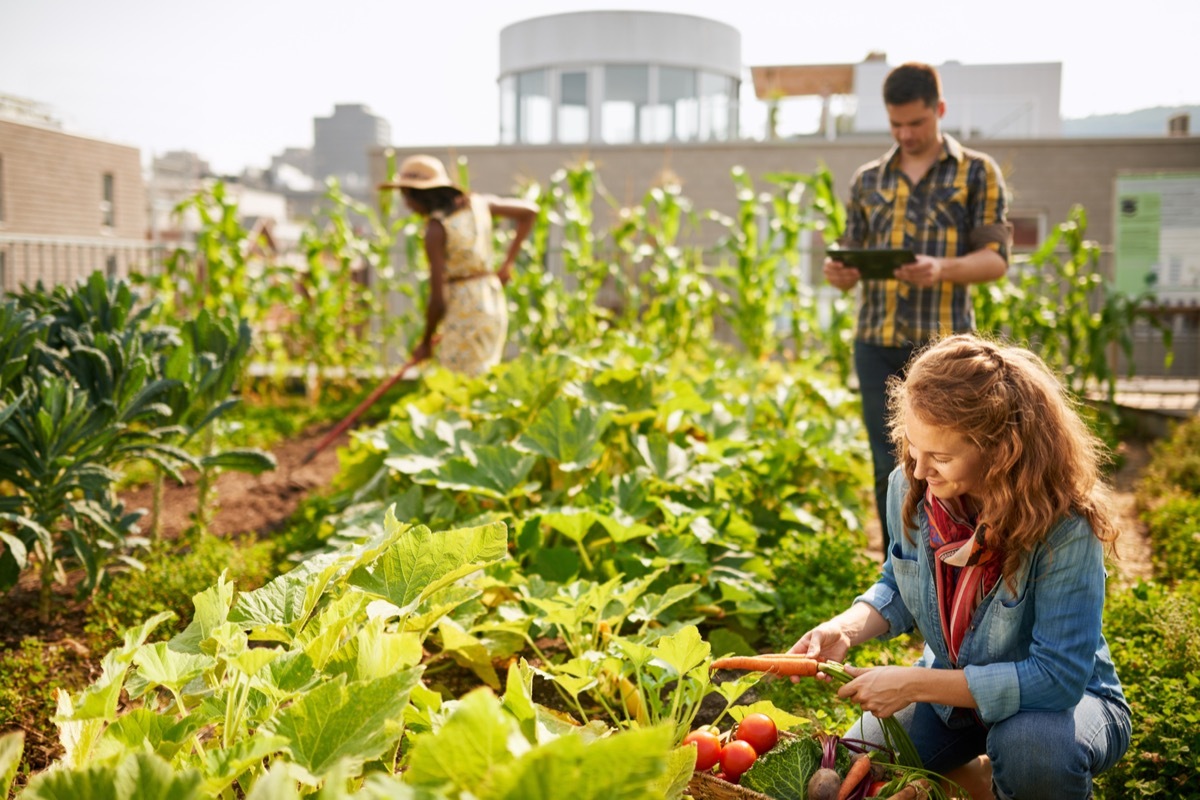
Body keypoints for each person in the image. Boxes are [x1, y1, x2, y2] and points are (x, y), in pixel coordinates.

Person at [789, 334, 1131, 800]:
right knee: (850, 763)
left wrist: (914, 684)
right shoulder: (910, 487)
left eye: (942, 456)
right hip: (954, 701)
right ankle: (979, 779)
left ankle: (1011, 773)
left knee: (1031, 748)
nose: (919, 467)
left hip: (1062, 706)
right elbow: (898, 582)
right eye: (913, 445)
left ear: (1001, 450)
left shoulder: (1063, 525)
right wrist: (845, 629)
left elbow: (1056, 679)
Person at [824, 62, 1011, 552]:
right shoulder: (868, 181)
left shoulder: (976, 172)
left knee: (953, 461)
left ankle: (959, 560)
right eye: (896, 125)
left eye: (916, 123)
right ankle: (901, 572)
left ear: (939, 110)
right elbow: (851, 253)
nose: (906, 134)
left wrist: (940, 268)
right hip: (876, 342)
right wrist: (840, 274)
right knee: (886, 462)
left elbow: (995, 261)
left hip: (945, 350)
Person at [380, 154, 536, 376]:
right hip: (490, 298)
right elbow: (530, 211)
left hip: (464, 309)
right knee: (482, 378)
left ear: (421, 195)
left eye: (406, 196)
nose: (407, 204)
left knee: (458, 384)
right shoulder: (479, 204)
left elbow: (438, 300)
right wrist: (506, 265)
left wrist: (425, 342)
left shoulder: (436, 229)